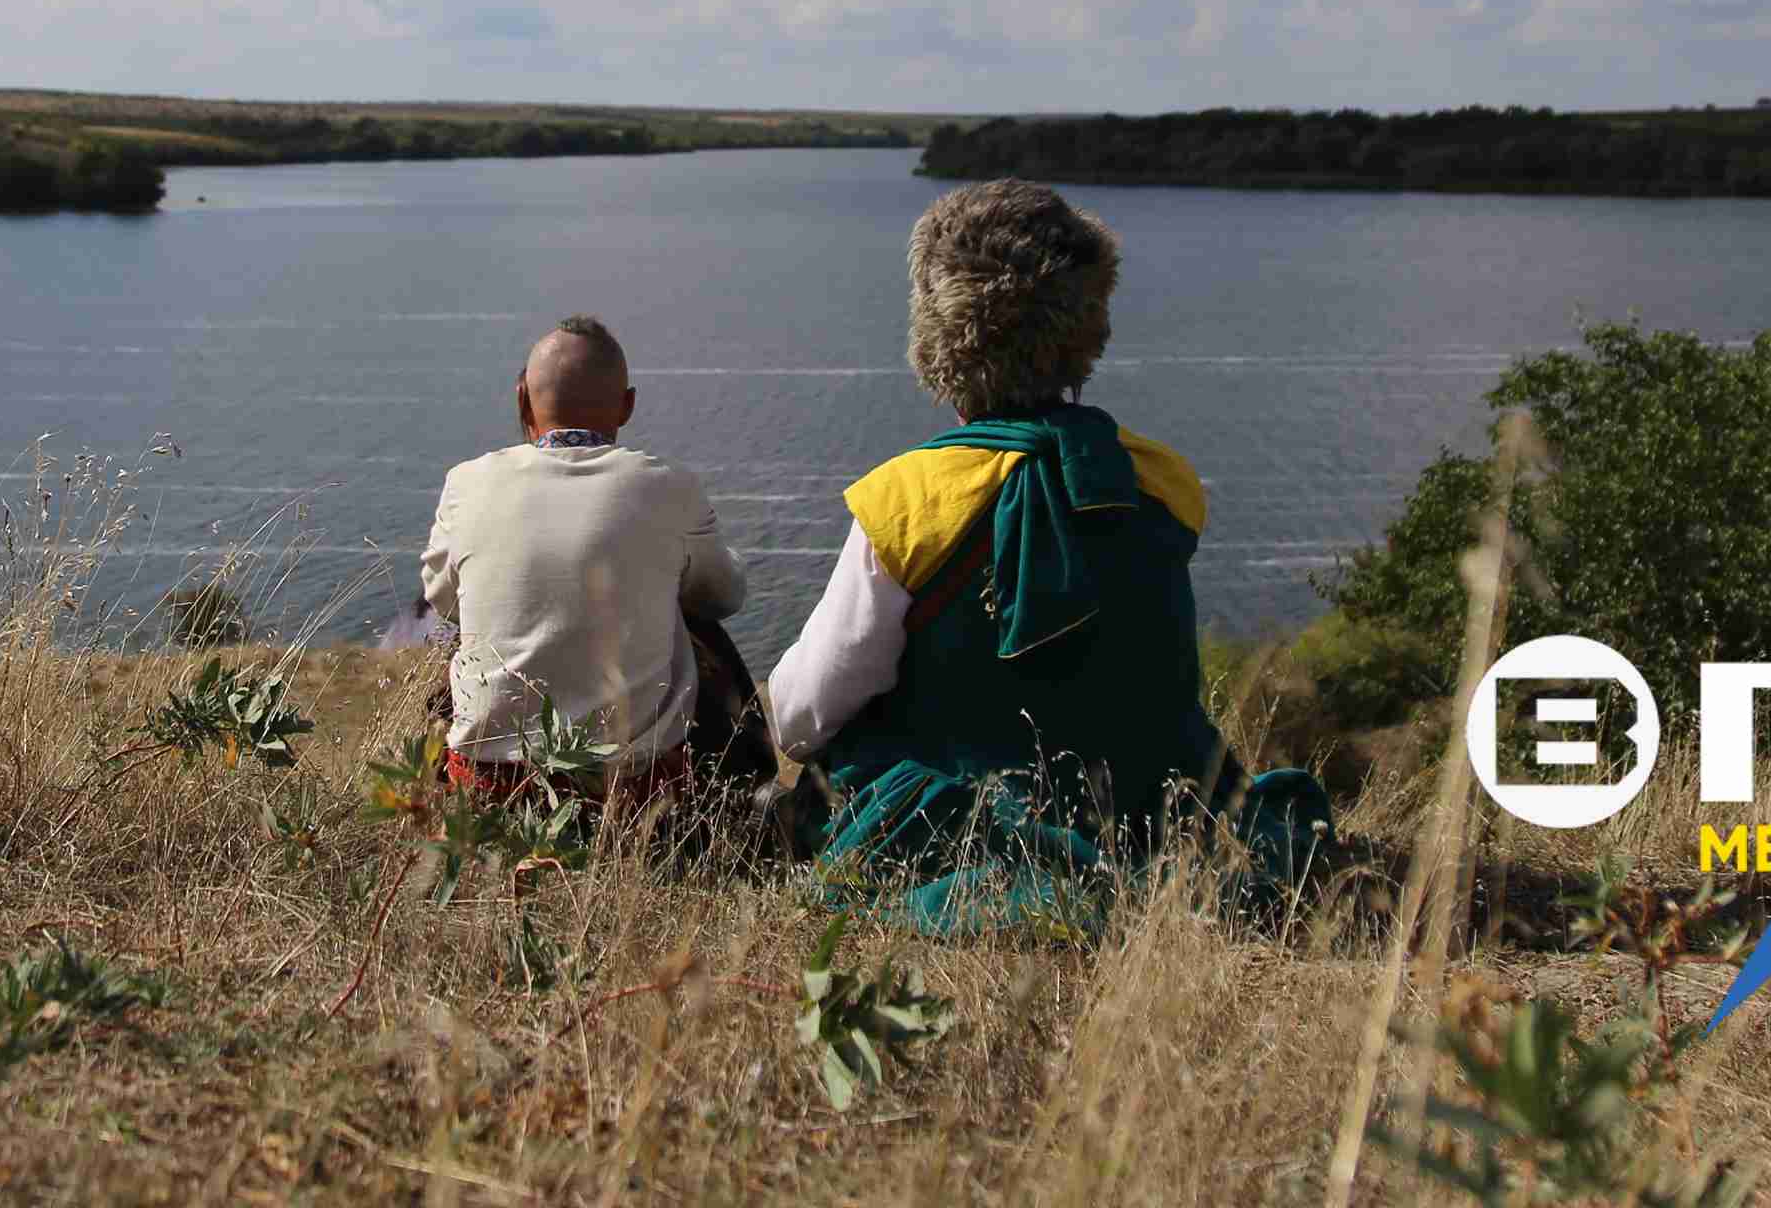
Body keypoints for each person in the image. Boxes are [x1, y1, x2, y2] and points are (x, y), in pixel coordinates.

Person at [765, 179, 1331, 932]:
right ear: (1085, 327)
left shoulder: (905, 500)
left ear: (939, 340)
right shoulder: (1164, 483)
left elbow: (802, 716)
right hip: (1150, 815)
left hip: (965, 826)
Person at [417, 314, 758, 809]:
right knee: (695, 628)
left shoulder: (465, 484)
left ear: (521, 400)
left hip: (490, 786)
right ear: (628, 405)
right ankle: (745, 800)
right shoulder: (668, 486)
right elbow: (723, 596)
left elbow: (443, 601)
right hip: (632, 790)